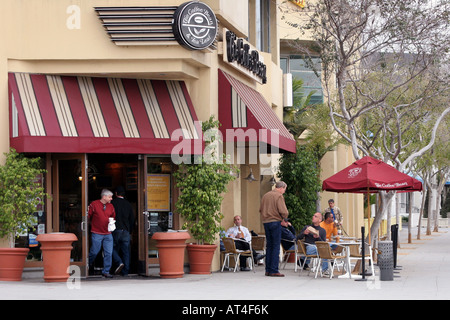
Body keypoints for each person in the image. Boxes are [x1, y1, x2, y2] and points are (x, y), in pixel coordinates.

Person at [259, 181, 289, 277]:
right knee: (276, 245)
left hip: (266, 222)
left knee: (269, 246)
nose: (284, 191)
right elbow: (283, 211)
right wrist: (285, 217)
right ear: (282, 187)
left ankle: (268, 269)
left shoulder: (266, 195)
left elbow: (260, 209)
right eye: (284, 189)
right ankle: (274, 270)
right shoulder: (279, 196)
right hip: (275, 222)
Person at [88, 189, 116, 278]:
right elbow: (88, 216)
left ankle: (106, 271)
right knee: (94, 251)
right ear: (104, 196)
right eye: (109, 197)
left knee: (109, 253)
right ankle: (88, 265)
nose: (111, 199)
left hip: (108, 233)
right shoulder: (94, 204)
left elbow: (113, 216)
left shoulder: (111, 206)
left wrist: (112, 223)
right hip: (97, 232)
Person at [111, 186, 135, 276]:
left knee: (112, 249)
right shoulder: (128, 204)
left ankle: (117, 264)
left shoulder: (112, 203)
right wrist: (130, 230)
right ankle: (126, 271)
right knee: (126, 252)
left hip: (115, 230)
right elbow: (132, 219)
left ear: (116, 193)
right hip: (125, 231)